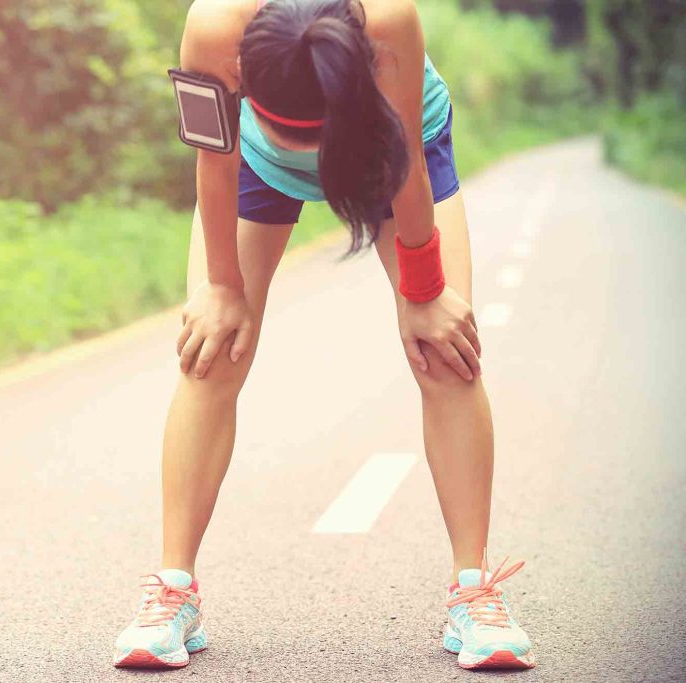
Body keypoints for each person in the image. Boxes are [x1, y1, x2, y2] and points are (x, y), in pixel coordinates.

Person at [112, 0, 536, 672]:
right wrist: (221, 287)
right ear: (240, 71)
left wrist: (425, 291)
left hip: (391, 151)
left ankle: (474, 592)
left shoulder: (388, 21)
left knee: (447, 351)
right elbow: (213, 159)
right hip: (251, 165)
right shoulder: (212, 26)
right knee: (210, 351)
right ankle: (172, 591)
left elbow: (404, 160)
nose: (305, 155)